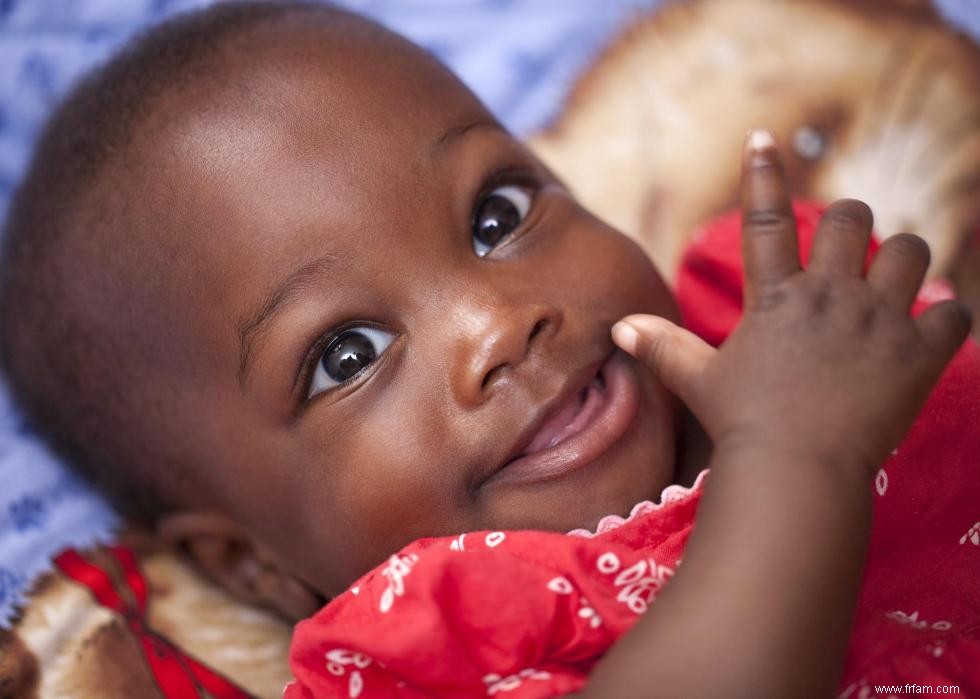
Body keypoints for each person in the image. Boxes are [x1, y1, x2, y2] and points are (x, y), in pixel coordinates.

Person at [0, 2, 975, 696]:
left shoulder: (779, 313)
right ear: (250, 562)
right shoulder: (422, 653)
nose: (498, 323)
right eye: (347, 355)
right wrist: (794, 459)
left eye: (496, 215)